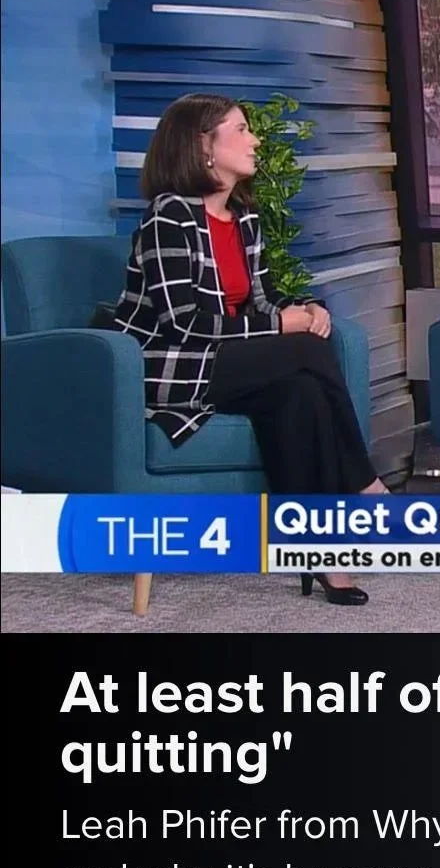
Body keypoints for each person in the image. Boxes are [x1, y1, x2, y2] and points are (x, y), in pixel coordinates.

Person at [112, 93, 389, 606]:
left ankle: (319, 552)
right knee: (302, 351)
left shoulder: (243, 218)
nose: (255, 139)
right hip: (171, 365)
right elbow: (183, 322)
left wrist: (303, 305)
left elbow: (258, 299)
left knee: (300, 392)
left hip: (228, 364)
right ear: (203, 147)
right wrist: (283, 324)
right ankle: (366, 482)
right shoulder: (168, 216)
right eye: (241, 129)